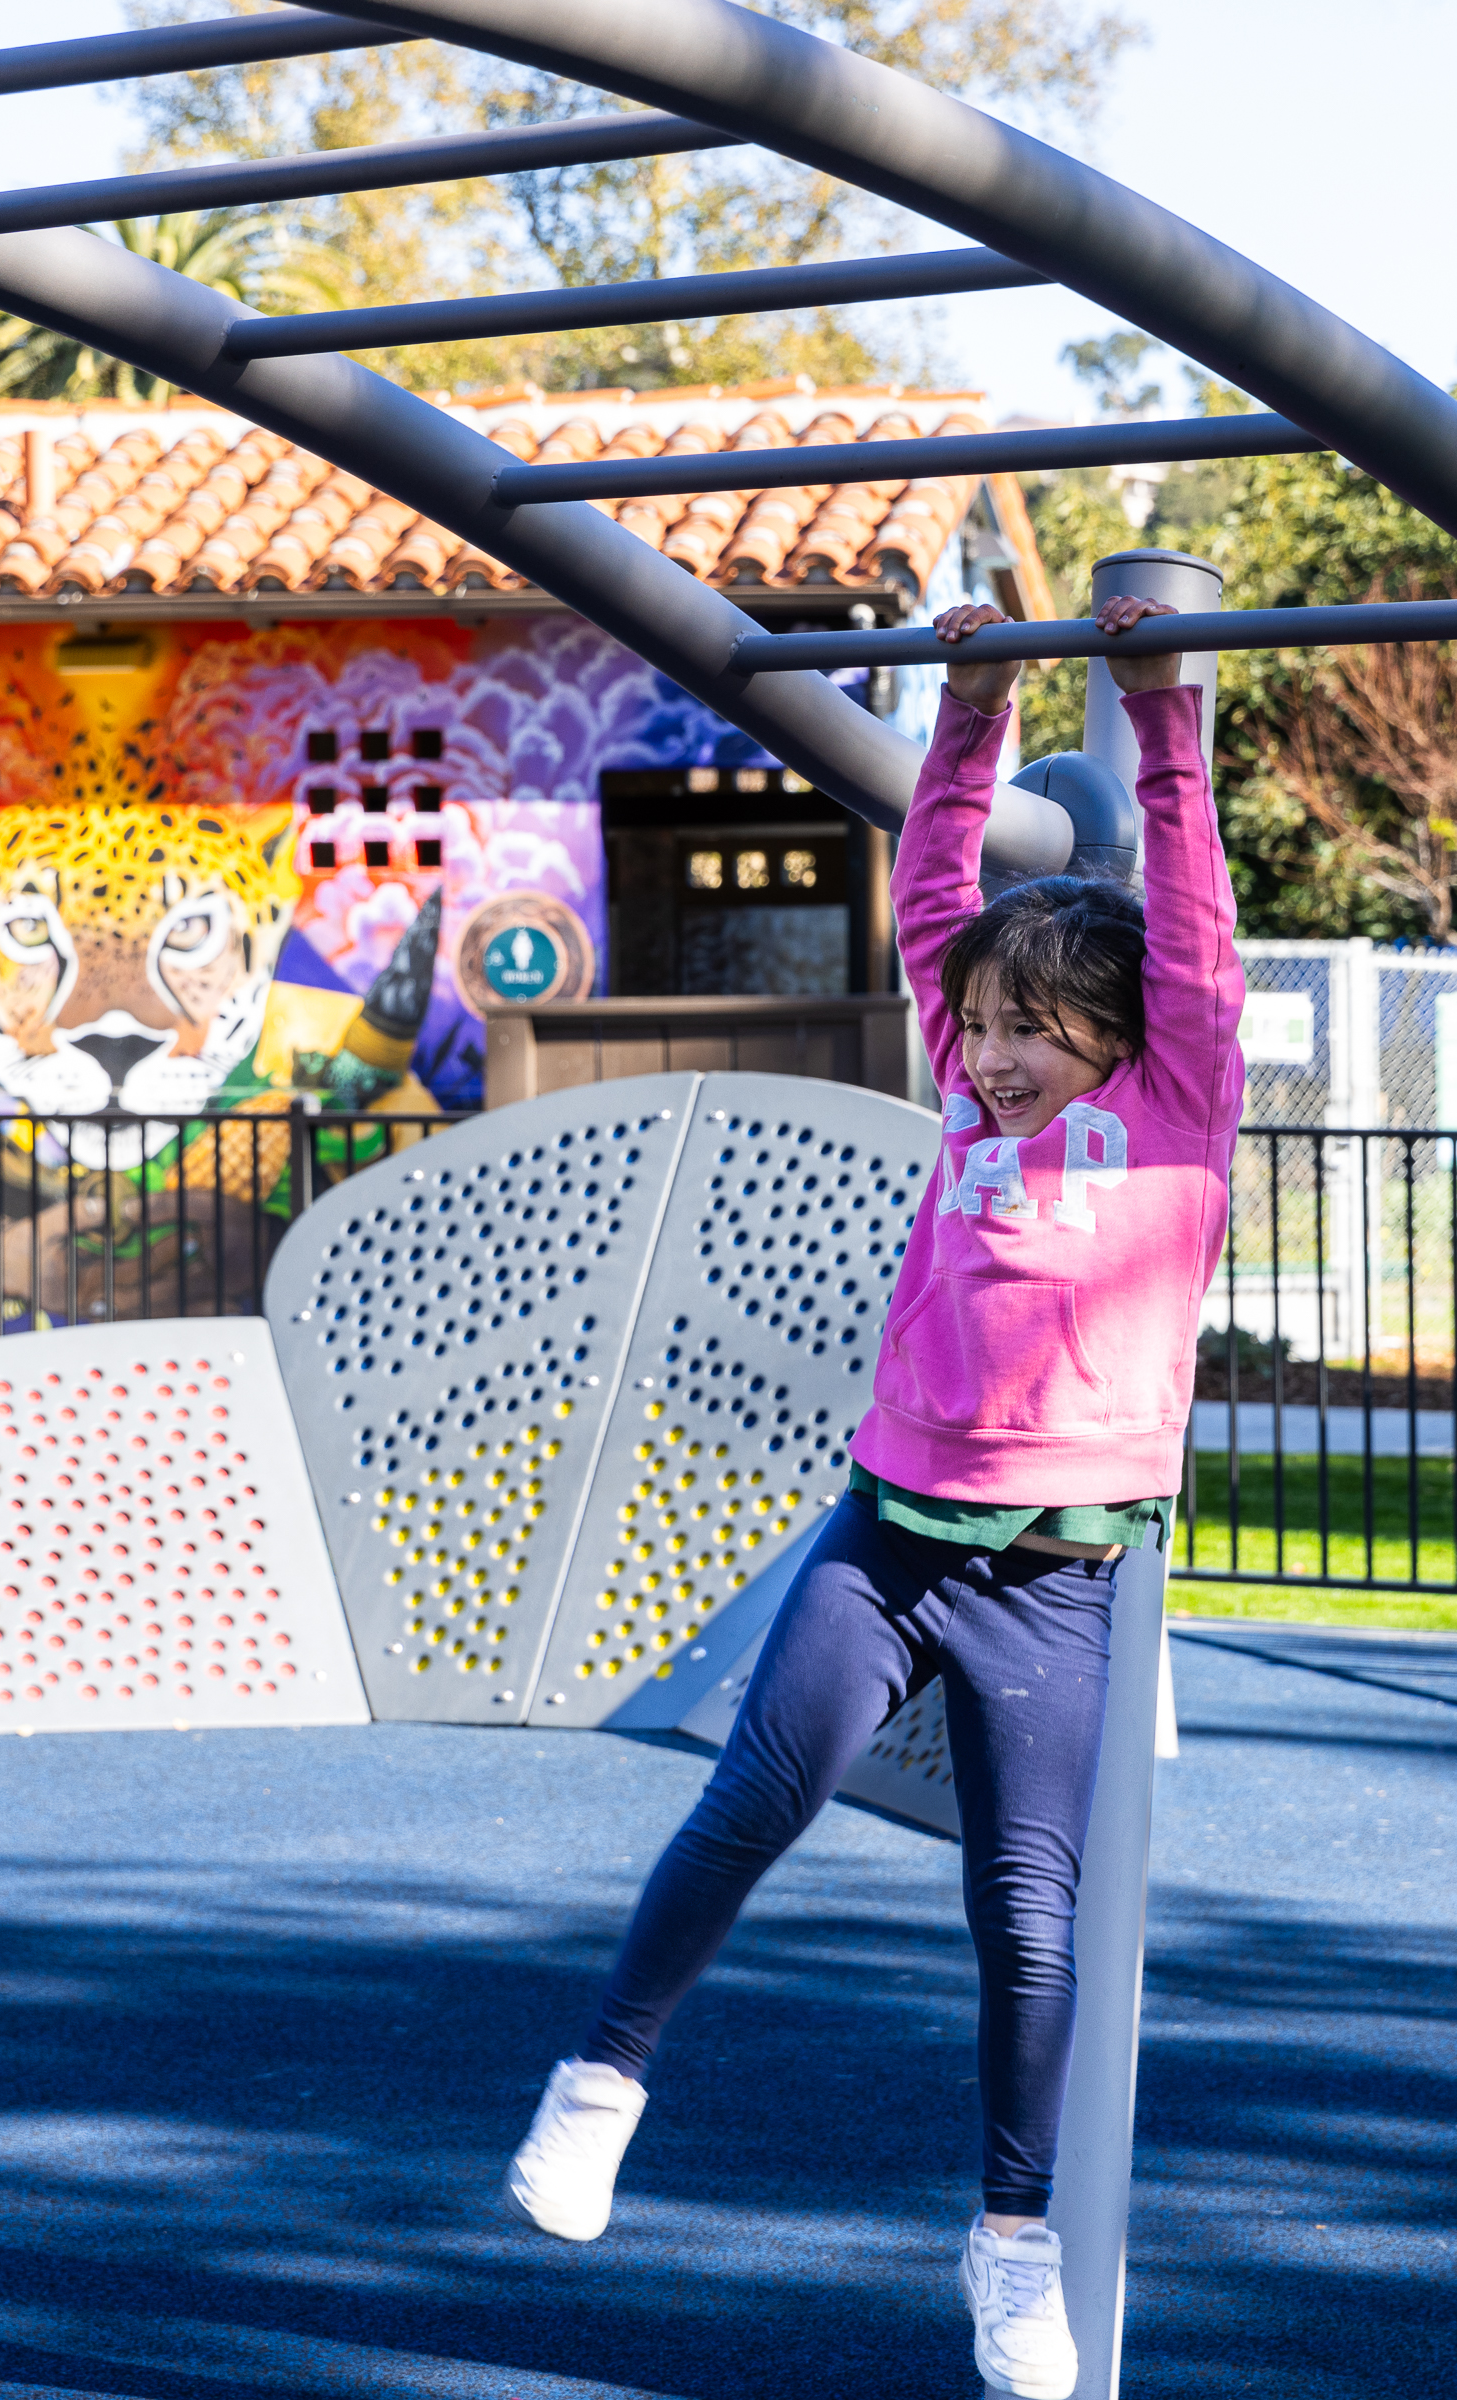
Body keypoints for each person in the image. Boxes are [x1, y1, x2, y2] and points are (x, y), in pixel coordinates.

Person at [501, 593, 1241, 2399]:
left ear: (1114, 1033)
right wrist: (967, 706)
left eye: (1029, 1031)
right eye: (976, 1028)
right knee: (753, 1798)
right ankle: (603, 2079)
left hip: (1058, 1583)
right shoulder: (972, 1107)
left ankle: (1010, 2242)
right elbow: (926, 884)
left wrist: (1161, 712)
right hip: (893, 1536)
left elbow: (1197, 933)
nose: (988, 1059)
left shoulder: (1171, 1102)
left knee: (1029, 1913)